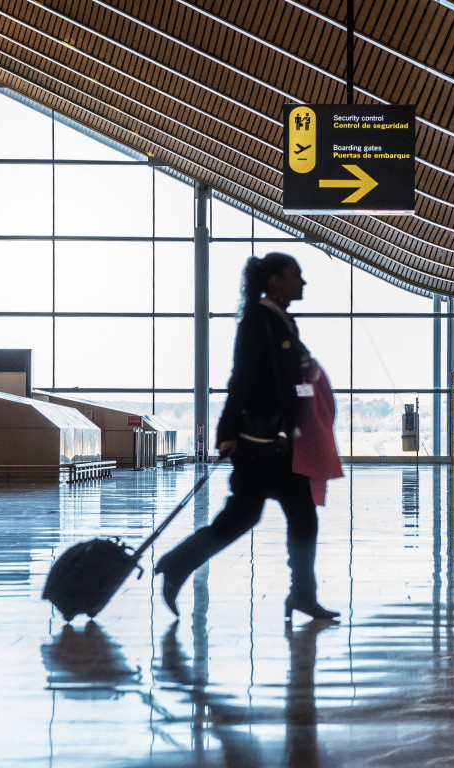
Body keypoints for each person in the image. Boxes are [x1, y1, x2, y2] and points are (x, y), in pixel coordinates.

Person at [154, 252, 341, 621]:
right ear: (274, 280)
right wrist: (225, 433)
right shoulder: (258, 320)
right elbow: (240, 377)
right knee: (241, 518)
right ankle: (176, 563)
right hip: (259, 446)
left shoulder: (282, 322)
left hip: (281, 444)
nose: (302, 282)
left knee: (301, 518)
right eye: (296, 275)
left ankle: (302, 595)